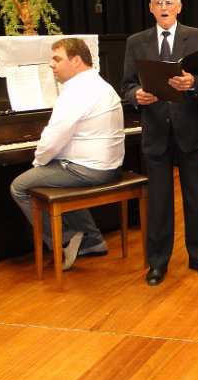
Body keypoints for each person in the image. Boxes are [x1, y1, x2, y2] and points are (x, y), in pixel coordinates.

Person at [120, 0, 198, 287]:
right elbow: (126, 85)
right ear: (151, 7)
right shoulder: (136, 42)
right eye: (159, 3)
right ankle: (157, 262)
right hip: (156, 131)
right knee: (159, 200)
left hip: (190, 129)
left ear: (179, 7)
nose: (164, 7)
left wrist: (192, 83)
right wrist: (136, 95)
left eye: (169, 3)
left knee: (195, 196)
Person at [11, 37, 125, 271]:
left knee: (19, 186)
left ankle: (65, 239)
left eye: (57, 59)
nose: (51, 65)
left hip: (90, 169)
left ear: (76, 61)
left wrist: (39, 162)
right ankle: (93, 241)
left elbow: (53, 138)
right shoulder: (101, 84)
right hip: (109, 166)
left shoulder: (76, 91)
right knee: (59, 176)